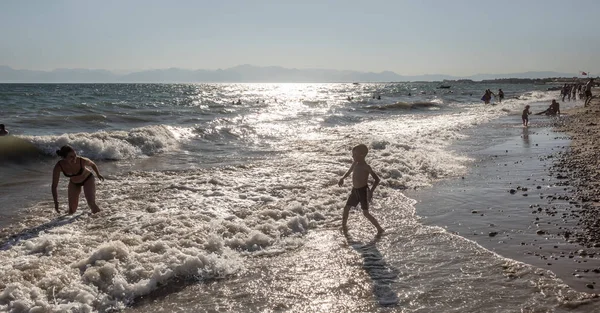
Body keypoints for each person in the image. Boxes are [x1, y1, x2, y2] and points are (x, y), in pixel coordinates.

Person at [338, 144, 384, 235]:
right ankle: (344, 227)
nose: (352, 156)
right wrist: (342, 178)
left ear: (362, 155)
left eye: (354, 155)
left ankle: (379, 229)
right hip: (354, 190)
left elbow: (377, 179)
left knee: (365, 213)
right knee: (346, 208)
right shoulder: (355, 163)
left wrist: (371, 191)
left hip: (363, 191)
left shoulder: (366, 167)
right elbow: (349, 171)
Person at [52, 145, 104, 214]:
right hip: (74, 183)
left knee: (91, 203)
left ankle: (100, 219)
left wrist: (98, 174)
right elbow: (54, 186)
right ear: (64, 158)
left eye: (75, 155)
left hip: (87, 179)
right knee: (71, 210)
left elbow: (92, 164)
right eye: (71, 157)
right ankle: (69, 224)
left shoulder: (81, 160)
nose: (74, 159)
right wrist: (56, 202)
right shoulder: (59, 166)